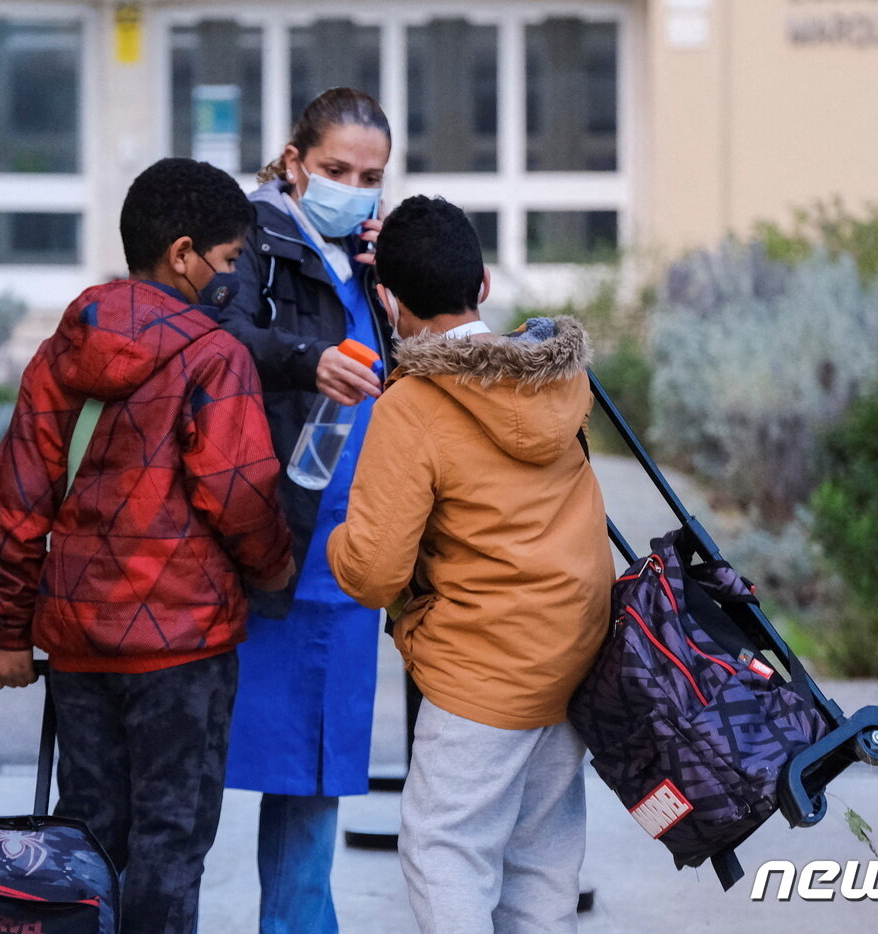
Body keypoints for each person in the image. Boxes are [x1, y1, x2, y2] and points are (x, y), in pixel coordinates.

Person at [0, 157, 296, 934]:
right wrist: (277, 570)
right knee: (170, 843)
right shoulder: (215, 356)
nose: (232, 278)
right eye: (227, 260)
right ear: (183, 254)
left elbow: (15, 500)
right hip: (184, 649)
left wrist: (9, 633)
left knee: (85, 837)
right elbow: (240, 496)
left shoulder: (62, 350)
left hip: (79, 646)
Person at [327, 196, 615, 934]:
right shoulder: (557, 375)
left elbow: (375, 572)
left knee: (443, 849)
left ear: (388, 301)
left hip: (483, 669)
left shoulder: (413, 406)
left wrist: (333, 541)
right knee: (542, 867)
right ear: (483, 285)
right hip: (575, 653)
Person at [210, 87, 394, 934]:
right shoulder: (250, 239)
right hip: (262, 544)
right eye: (335, 170)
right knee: (190, 778)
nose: (353, 190)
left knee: (315, 778)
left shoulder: (369, 259)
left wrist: (410, 292)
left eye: (370, 177)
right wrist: (306, 357)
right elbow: (216, 342)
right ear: (293, 163)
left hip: (350, 559)